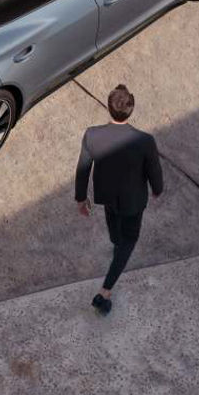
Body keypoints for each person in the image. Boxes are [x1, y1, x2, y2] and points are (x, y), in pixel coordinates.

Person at [75, 84, 163, 316]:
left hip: (106, 196)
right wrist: (157, 189)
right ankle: (104, 291)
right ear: (131, 110)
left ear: (109, 107)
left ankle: (116, 244)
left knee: (114, 225)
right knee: (129, 240)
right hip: (133, 201)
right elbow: (154, 171)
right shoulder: (144, 140)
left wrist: (81, 198)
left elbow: (83, 169)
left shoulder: (92, 134)